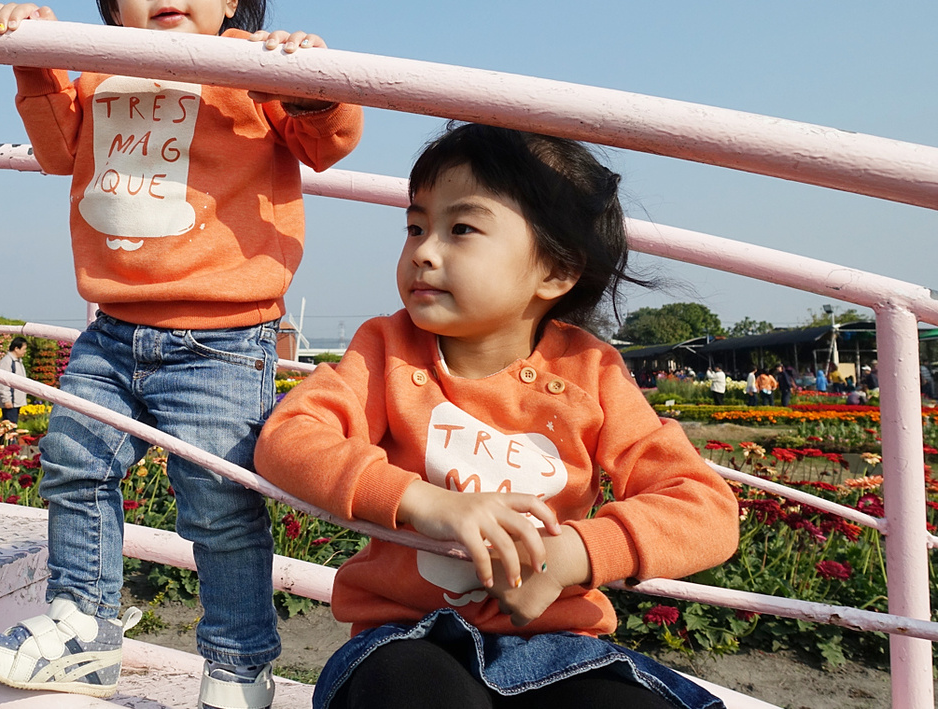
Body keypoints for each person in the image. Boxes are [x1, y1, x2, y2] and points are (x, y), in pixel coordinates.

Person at [0, 0, 363, 707]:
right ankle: (80, 628)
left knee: (217, 503)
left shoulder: (251, 67)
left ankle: (237, 663)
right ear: (111, 1)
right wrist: (36, 59)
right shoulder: (100, 70)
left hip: (223, 338)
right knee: (74, 466)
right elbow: (55, 149)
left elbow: (328, 141)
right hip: (112, 328)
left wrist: (308, 77)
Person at [254, 123, 739, 709]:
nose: (424, 252)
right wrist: (427, 502)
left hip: (559, 645)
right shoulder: (385, 348)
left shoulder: (590, 370)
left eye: (461, 229)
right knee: (409, 689)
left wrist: (575, 555)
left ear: (557, 271)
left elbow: (705, 506)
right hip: (409, 634)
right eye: (415, 227)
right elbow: (290, 437)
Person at [0, 336, 31, 431]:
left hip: (16, 402)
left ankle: (10, 445)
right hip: (10, 401)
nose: (25, 351)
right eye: (24, 349)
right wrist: (6, 399)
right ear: (16, 348)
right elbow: (3, 381)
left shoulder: (18, 361)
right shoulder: (7, 362)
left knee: (12, 428)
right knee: (8, 429)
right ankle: (7, 446)